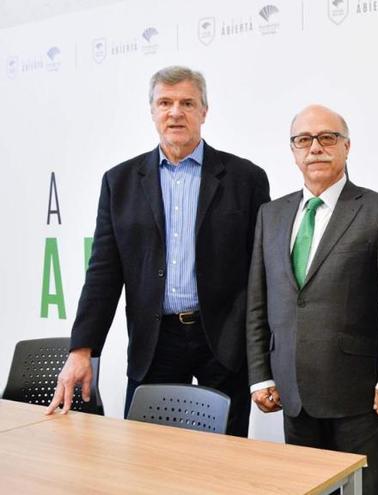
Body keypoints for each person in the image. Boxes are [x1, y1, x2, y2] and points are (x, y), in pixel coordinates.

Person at [46, 66, 270, 437]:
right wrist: (82, 349)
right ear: (152, 111)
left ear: (204, 111)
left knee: (228, 458)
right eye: (165, 102)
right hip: (155, 341)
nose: (175, 112)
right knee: (147, 455)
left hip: (224, 342)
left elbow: (261, 271)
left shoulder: (246, 179)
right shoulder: (120, 182)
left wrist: (263, 355)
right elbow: (103, 271)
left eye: (187, 103)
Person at [246, 104, 378, 495]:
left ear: (347, 147)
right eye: (304, 140)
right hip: (293, 394)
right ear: (293, 151)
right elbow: (258, 301)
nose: (315, 148)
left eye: (327, 138)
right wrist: (260, 375)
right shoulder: (271, 214)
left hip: (358, 396)